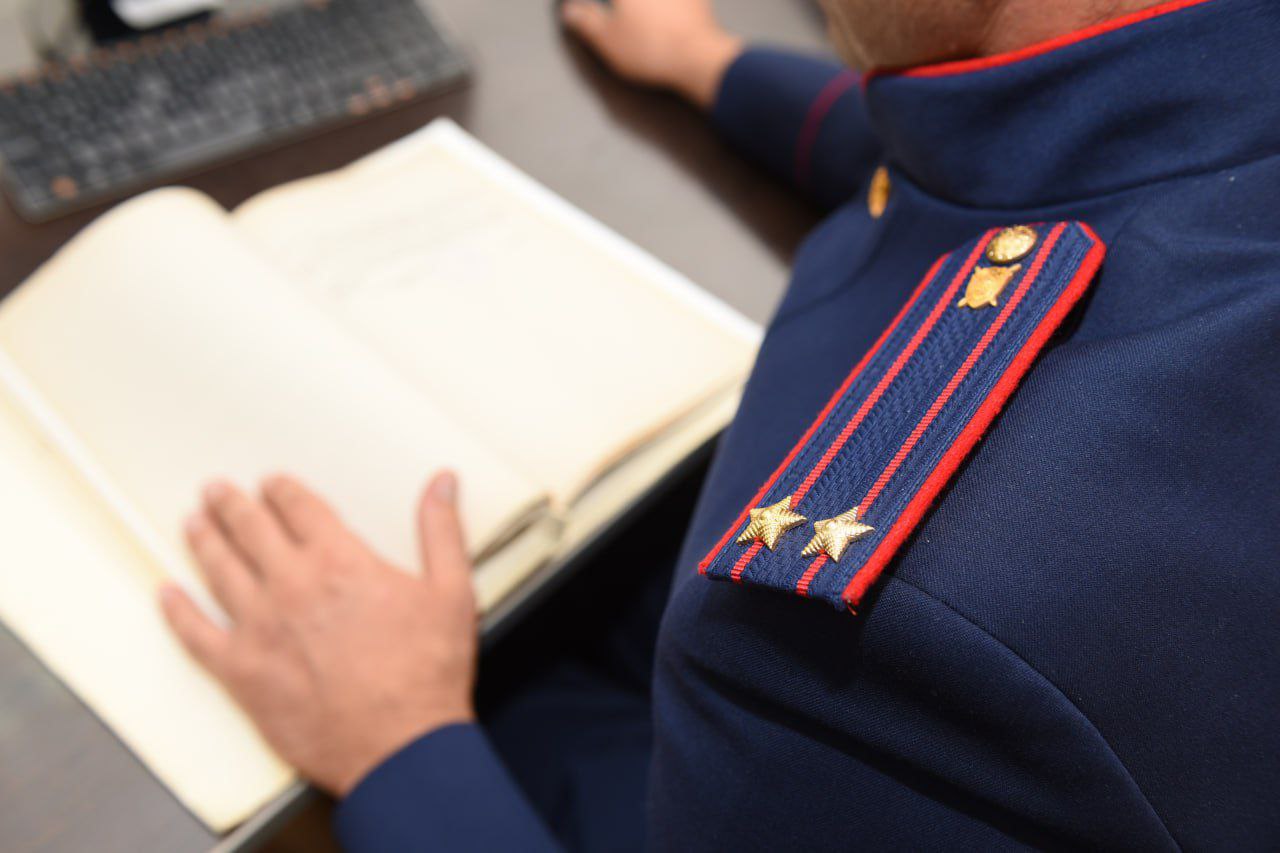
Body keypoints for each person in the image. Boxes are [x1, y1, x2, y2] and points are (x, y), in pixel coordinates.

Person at [159, 0, 1280, 849]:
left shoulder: (901, 643)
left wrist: (397, 745)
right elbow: (1038, 150)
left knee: (517, 683)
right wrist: (713, 65)